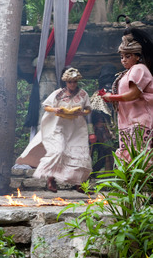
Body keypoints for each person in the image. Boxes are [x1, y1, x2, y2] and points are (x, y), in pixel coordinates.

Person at [16, 67, 93, 193]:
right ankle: (51, 178)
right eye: (70, 82)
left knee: (81, 154)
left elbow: (88, 109)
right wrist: (55, 110)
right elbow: (47, 106)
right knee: (58, 151)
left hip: (76, 128)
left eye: (74, 82)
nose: (72, 84)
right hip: (59, 126)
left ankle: (80, 184)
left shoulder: (83, 94)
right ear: (65, 82)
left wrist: (82, 112)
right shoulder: (59, 93)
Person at [102, 27, 153, 161]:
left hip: (140, 120)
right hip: (128, 120)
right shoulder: (127, 73)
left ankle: (142, 182)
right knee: (129, 156)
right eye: (122, 56)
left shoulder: (139, 68)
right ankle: (130, 182)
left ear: (137, 57)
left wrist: (111, 97)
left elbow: (133, 95)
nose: (123, 60)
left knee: (140, 155)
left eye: (128, 56)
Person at [89, 64, 116, 176]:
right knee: (106, 154)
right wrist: (91, 131)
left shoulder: (115, 94)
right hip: (98, 130)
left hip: (107, 130)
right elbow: (91, 114)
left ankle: (103, 176)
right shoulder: (97, 96)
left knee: (106, 155)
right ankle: (88, 176)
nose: (108, 84)